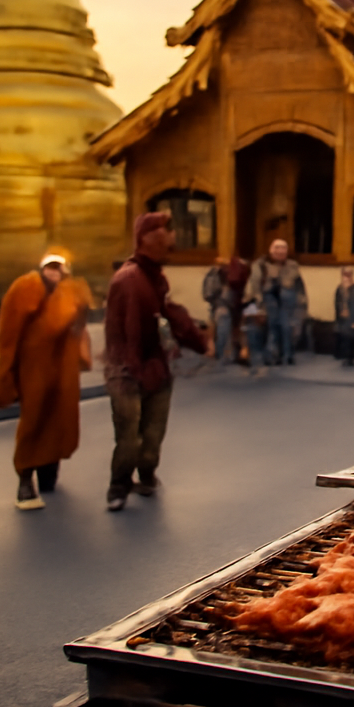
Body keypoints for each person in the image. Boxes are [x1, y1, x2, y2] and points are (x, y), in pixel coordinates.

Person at [104, 213, 210, 511]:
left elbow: (169, 314)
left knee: (153, 432)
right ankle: (119, 485)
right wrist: (133, 370)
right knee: (128, 435)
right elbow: (128, 330)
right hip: (127, 372)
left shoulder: (154, 277)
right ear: (150, 239)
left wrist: (197, 341)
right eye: (168, 235)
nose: (173, 241)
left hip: (154, 367)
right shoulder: (129, 279)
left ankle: (147, 474)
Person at [0, 249, 92, 511]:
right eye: (50, 267)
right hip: (33, 369)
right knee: (34, 420)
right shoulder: (25, 289)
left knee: (60, 420)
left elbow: (77, 328)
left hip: (61, 370)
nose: (54, 272)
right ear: (41, 269)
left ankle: (49, 470)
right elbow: (9, 334)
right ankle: (25, 480)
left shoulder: (68, 294)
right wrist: (7, 376)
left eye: (59, 268)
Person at [246, 239, 305, 367]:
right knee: (271, 328)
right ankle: (271, 355)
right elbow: (254, 285)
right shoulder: (260, 265)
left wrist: (302, 305)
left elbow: (297, 287)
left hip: (287, 303)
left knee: (287, 327)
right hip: (267, 302)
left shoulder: (292, 265)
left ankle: (287, 355)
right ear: (271, 250)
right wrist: (258, 303)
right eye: (277, 248)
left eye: (283, 248)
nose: (280, 251)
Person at [201, 258, 238, 372]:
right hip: (221, 306)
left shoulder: (239, 274)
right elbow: (208, 295)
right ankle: (222, 354)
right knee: (223, 316)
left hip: (240, 305)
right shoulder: (212, 276)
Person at [333, 267, 354, 366]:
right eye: (345, 275)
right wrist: (340, 312)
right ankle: (345, 356)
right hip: (343, 319)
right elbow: (337, 303)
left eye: (349, 275)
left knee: (353, 337)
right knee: (345, 337)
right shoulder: (340, 289)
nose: (347, 277)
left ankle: (352, 358)